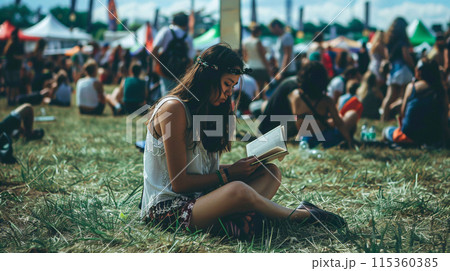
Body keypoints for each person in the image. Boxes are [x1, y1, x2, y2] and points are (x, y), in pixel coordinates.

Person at [141, 44, 345, 240]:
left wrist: (242, 167)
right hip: (167, 210)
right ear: (209, 78)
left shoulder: (209, 108)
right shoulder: (173, 109)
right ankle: (302, 215)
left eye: (234, 85)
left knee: (270, 172)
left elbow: (200, 169)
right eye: (227, 84)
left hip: (200, 198)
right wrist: (229, 174)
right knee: (238, 190)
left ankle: (237, 221)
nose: (230, 92)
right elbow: (179, 183)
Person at [383, 58, 449, 146]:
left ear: (420, 71)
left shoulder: (412, 87)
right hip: (433, 138)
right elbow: (444, 120)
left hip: (410, 136)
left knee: (386, 131)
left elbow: (403, 113)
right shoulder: (441, 91)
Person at [152, 12, 195, 96]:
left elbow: (154, 50)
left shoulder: (166, 31)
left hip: (164, 70)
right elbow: (190, 60)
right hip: (180, 73)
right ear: (186, 24)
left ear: (173, 22)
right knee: (178, 95)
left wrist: (159, 65)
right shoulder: (188, 38)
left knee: (165, 94)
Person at [380, 17, 415, 121]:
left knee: (389, 96)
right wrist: (413, 66)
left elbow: (387, 56)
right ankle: (401, 118)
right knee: (404, 96)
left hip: (393, 69)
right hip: (403, 69)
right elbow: (406, 56)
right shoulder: (402, 41)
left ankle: (384, 117)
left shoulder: (389, 40)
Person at [242, 23, 272, 90]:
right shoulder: (257, 41)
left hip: (249, 66)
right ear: (259, 32)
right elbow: (263, 56)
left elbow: (245, 56)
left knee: (253, 88)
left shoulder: (245, 41)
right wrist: (269, 68)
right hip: (260, 67)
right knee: (260, 89)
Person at [3, 28, 24, 106]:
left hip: (10, 67)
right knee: (13, 84)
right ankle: (13, 99)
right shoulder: (16, 45)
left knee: (10, 85)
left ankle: (11, 99)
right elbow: (19, 56)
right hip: (14, 67)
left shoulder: (9, 45)